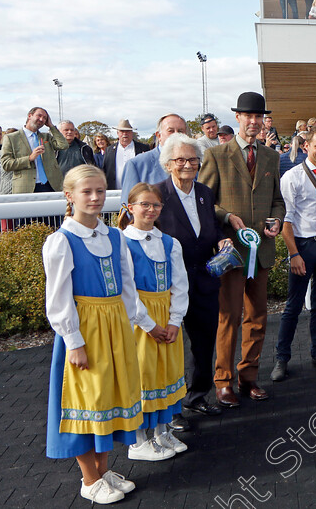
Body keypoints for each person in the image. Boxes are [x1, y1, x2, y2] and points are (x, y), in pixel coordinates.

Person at [43, 165, 157, 503]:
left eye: (100, 191)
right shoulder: (61, 241)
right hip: (85, 328)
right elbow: (58, 298)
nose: (95, 198)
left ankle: (103, 468)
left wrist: (143, 323)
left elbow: (126, 287)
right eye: (87, 192)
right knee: (88, 399)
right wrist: (73, 341)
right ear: (69, 196)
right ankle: (89, 478)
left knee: (112, 394)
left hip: (116, 326)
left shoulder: (114, 236)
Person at [198, 91, 286, 408]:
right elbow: (205, 201)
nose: (253, 121)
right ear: (237, 118)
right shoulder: (216, 156)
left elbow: (277, 199)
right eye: (247, 116)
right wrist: (227, 217)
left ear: (263, 120)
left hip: (260, 251)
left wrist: (276, 219)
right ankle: (223, 382)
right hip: (231, 252)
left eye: (258, 116)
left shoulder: (271, 157)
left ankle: (248, 376)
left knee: (258, 318)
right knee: (229, 318)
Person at [156, 134, 231, 423]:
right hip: (170, 285)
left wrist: (223, 240)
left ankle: (196, 397)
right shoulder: (157, 195)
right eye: (180, 160)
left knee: (203, 345)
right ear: (168, 164)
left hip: (204, 281)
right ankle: (170, 409)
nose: (187, 164)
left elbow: (211, 226)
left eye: (192, 159)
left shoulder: (204, 192)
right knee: (169, 347)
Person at [119, 183, 189, 460]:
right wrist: (148, 324)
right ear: (130, 207)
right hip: (140, 320)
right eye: (144, 204)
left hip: (166, 314)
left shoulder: (170, 243)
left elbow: (180, 284)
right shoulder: (123, 242)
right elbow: (127, 288)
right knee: (143, 376)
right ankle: (138, 440)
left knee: (167, 372)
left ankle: (162, 431)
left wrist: (174, 320)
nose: (150, 210)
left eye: (155, 205)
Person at [270, 126, 316, 382]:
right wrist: (293, 254)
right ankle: (282, 359)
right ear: (306, 147)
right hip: (303, 247)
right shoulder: (292, 177)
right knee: (292, 306)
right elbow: (286, 220)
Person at [120, 113, 187, 202]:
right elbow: (127, 207)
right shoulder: (137, 165)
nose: (176, 135)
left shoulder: (192, 163)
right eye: (170, 131)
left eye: (180, 131)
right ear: (159, 136)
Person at [1, 106, 68, 193]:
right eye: (39, 115)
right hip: (26, 188)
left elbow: (63, 145)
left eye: (45, 118)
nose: (41, 119)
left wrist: (51, 126)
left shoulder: (46, 137)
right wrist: (29, 158)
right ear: (30, 116)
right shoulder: (11, 138)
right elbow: (6, 164)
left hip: (50, 185)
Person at [103, 119, 149, 190]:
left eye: (127, 131)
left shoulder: (143, 148)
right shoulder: (109, 150)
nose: (125, 133)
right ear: (118, 133)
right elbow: (104, 171)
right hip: (114, 193)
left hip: (137, 192)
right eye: (122, 131)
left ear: (131, 132)